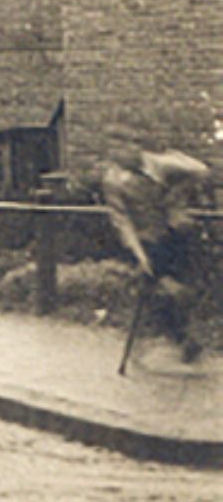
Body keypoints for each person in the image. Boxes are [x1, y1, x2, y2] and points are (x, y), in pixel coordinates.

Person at [101, 127, 213, 363]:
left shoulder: (158, 165)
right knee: (159, 288)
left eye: (127, 147)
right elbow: (122, 221)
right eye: (116, 150)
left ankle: (179, 334)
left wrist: (176, 194)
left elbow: (200, 170)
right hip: (146, 240)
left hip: (174, 232)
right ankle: (179, 337)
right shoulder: (114, 181)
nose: (123, 154)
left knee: (183, 287)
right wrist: (139, 254)